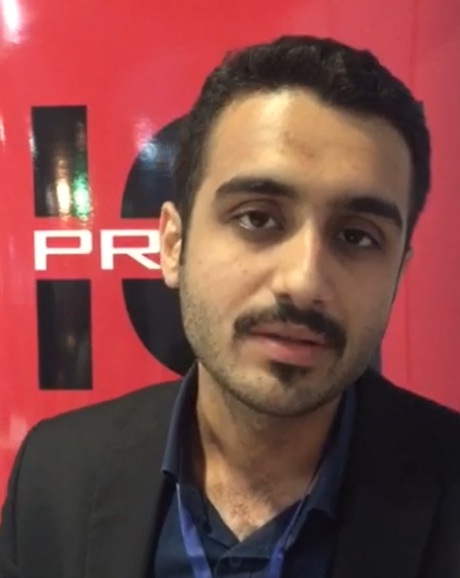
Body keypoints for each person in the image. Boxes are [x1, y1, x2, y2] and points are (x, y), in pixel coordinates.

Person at [1, 35, 460, 578]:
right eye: (257, 218)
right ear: (174, 244)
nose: (304, 281)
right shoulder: (56, 475)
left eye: (357, 236)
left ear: (399, 271)